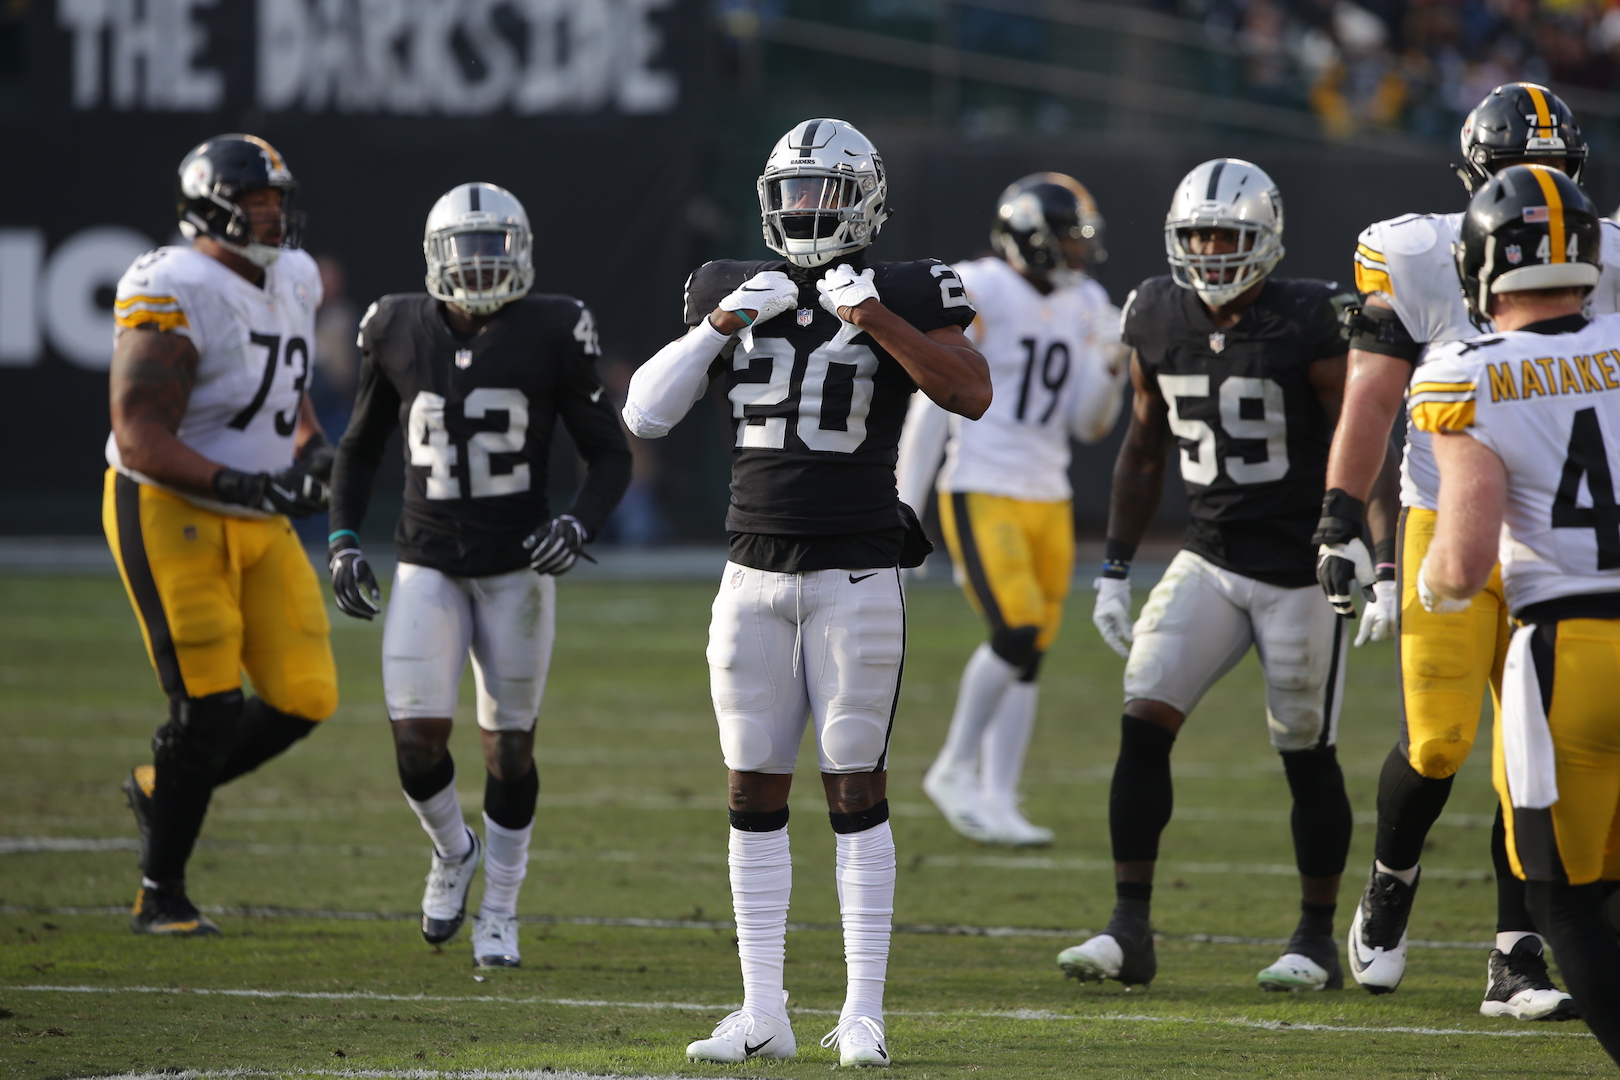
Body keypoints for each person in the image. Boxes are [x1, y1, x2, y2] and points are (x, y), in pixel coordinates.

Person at [622, 117, 990, 1067]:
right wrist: (718, 326)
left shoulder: (909, 287)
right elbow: (644, 414)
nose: (805, 208)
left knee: (854, 784)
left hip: (855, 574)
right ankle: (762, 1012)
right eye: (791, 191)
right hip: (749, 575)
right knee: (751, 786)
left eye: (824, 191)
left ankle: (863, 1013)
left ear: (864, 201)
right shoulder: (729, 283)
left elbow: (970, 391)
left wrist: (876, 320)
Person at [1321, 81, 1620, 1016]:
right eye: (1517, 170)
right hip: (1442, 516)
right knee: (1441, 741)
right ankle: (1391, 878)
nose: (1536, 193)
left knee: (1527, 757)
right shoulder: (1417, 255)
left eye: (1552, 171)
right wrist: (1340, 519)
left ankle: (1514, 957)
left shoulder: (1608, 257)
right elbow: (1371, 397)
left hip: (1554, 543)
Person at [1056, 158, 1372, 993]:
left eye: (1227, 236)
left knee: (1304, 745)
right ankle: (1128, 928)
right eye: (1197, 236)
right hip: (1210, 555)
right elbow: (1142, 446)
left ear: (1265, 238)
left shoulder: (1310, 316)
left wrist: (1363, 540)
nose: (1211, 251)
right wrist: (1114, 567)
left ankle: (1315, 938)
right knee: (1143, 715)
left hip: (1301, 568)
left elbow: (1362, 434)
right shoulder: (1155, 312)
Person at [325, 183, 631, 969]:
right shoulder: (393, 324)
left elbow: (610, 451)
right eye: (467, 248)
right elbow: (359, 446)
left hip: (517, 565)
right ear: (436, 255)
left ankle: (501, 908)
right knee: (415, 742)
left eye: (495, 246)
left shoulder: (555, 326)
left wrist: (578, 523)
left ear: (520, 250)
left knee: (510, 750)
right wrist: (343, 541)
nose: (481, 263)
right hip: (427, 558)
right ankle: (452, 850)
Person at [1415, 163, 1620, 1063]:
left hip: (1571, 653)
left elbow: (1463, 566)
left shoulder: (1467, 373)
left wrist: (1425, 583)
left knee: (1564, 901)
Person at [107, 134, 337, 935]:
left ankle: (160, 784)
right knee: (207, 707)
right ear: (210, 207)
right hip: (170, 508)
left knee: (306, 694)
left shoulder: (294, 275)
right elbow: (139, 432)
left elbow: (280, 386)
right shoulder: (171, 283)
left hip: (258, 513)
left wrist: (311, 445)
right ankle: (160, 892)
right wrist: (241, 482)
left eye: (278, 200)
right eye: (256, 201)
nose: (273, 215)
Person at [896, 173, 1127, 846]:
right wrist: (904, 507)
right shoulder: (977, 286)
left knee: (1032, 653)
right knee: (1017, 629)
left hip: (1049, 491)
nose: (1078, 251)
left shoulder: (1087, 300)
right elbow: (930, 402)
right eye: (1066, 239)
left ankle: (999, 797)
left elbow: (1089, 423)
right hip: (982, 481)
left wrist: (1111, 367)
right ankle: (952, 767)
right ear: (1031, 238)